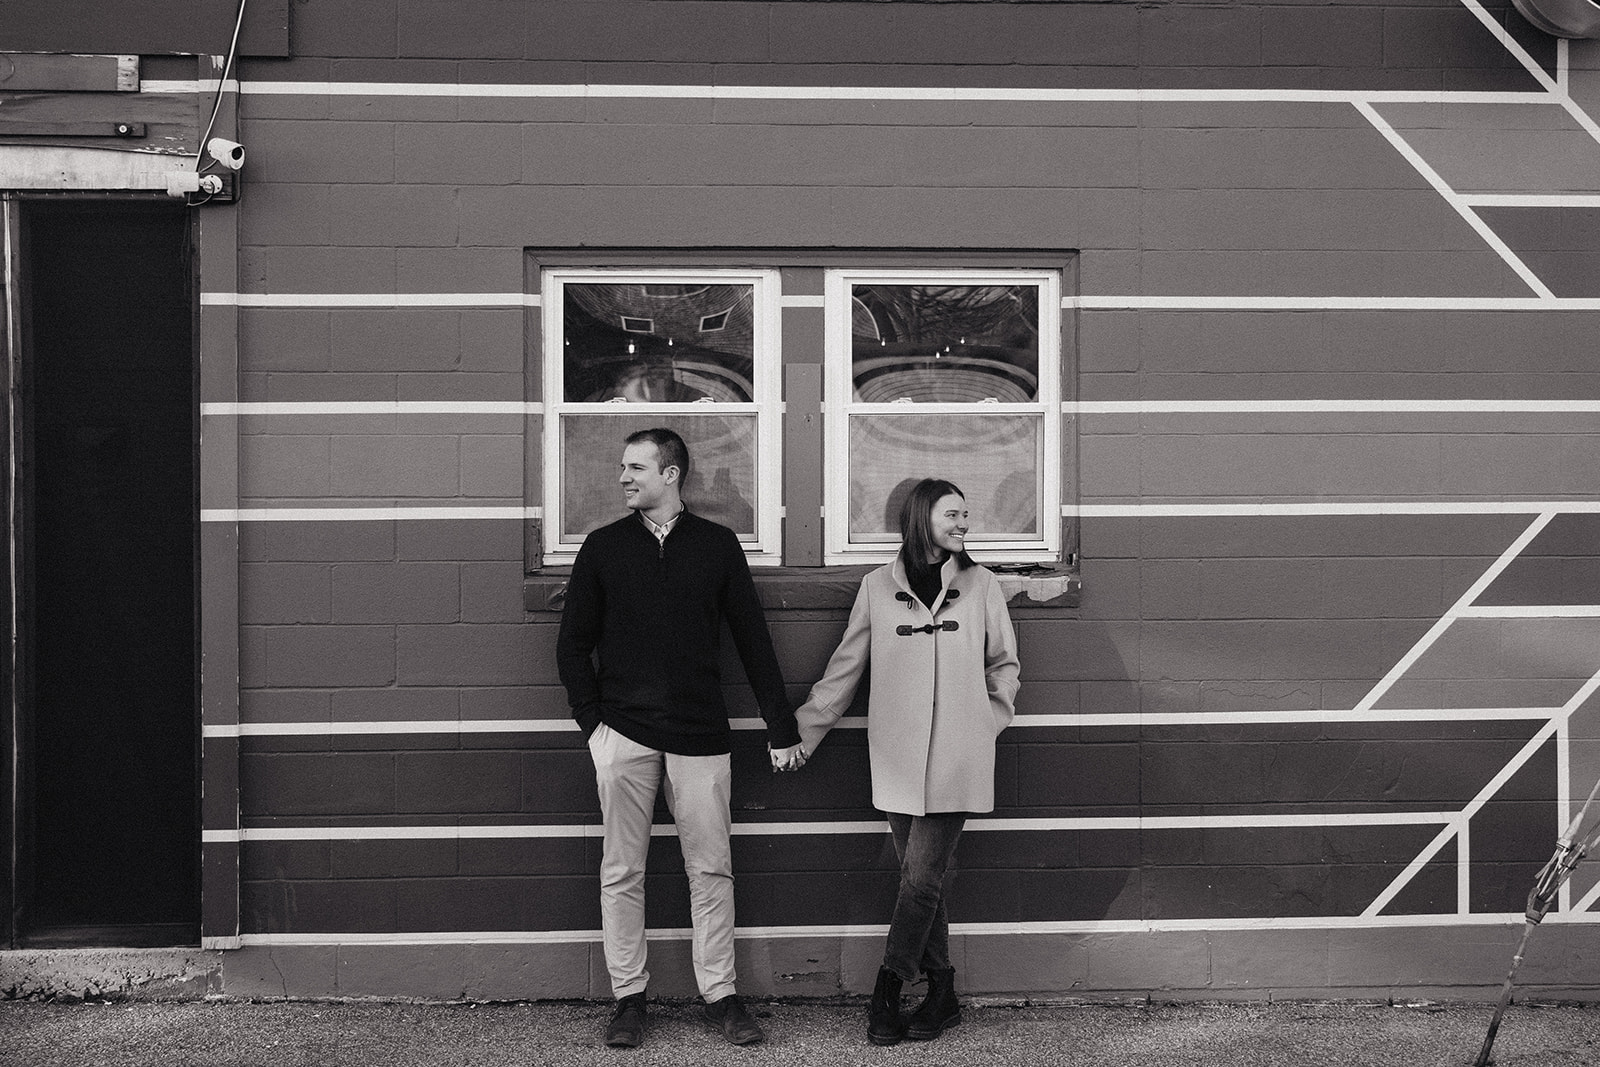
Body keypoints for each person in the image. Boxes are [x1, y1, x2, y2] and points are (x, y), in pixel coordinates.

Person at [556, 427, 808, 1048]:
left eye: (636, 467)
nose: (623, 477)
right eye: (622, 466)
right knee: (622, 870)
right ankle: (629, 999)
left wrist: (781, 726)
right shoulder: (604, 547)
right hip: (624, 734)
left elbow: (752, 639)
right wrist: (596, 726)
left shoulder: (716, 547)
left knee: (712, 870)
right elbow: (572, 646)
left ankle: (720, 997)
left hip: (700, 734)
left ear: (671, 474)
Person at [792, 477, 1020, 1046]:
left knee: (919, 878)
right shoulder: (876, 588)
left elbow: (1004, 667)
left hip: (958, 755)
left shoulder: (982, 585)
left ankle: (887, 990)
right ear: (922, 517)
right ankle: (942, 993)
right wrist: (802, 734)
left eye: (967, 514)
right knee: (924, 881)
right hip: (895, 756)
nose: (964, 523)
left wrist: (983, 723)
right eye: (953, 513)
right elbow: (844, 671)